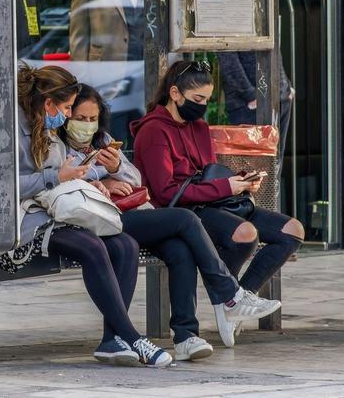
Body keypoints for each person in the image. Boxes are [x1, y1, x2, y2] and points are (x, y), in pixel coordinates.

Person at [59, 84, 283, 352]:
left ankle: (186, 336)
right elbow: (59, 181)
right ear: (67, 116)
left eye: (92, 119)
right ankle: (229, 295)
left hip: (127, 216)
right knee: (184, 219)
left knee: (180, 249)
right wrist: (100, 179)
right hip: (94, 220)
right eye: (80, 119)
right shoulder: (58, 145)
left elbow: (134, 178)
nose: (86, 125)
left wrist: (116, 167)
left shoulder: (103, 141)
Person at [13, 63, 171, 367]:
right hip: (23, 221)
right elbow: (2, 187)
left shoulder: (47, 130)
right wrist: (58, 177)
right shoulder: (12, 132)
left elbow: (62, 179)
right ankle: (132, 337)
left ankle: (112, 340)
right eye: (69, 108)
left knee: (124, 244)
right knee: (93, 246)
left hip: (56, 213)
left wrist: (88, 180)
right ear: (48, 104)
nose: (70, 116)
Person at [130, 60, 305, 332]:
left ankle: (234, 298)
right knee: (245, 233)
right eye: (197, 98)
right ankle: (230, 300)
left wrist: (241, 182)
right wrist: (227, 187)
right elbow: (166, 193)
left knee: (292, 230)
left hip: (214, 202)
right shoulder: (153, 130)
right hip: (185, 210)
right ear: (175, 93)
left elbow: (206, 173)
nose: (201, 105)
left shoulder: (198, 126)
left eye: (207, 99)